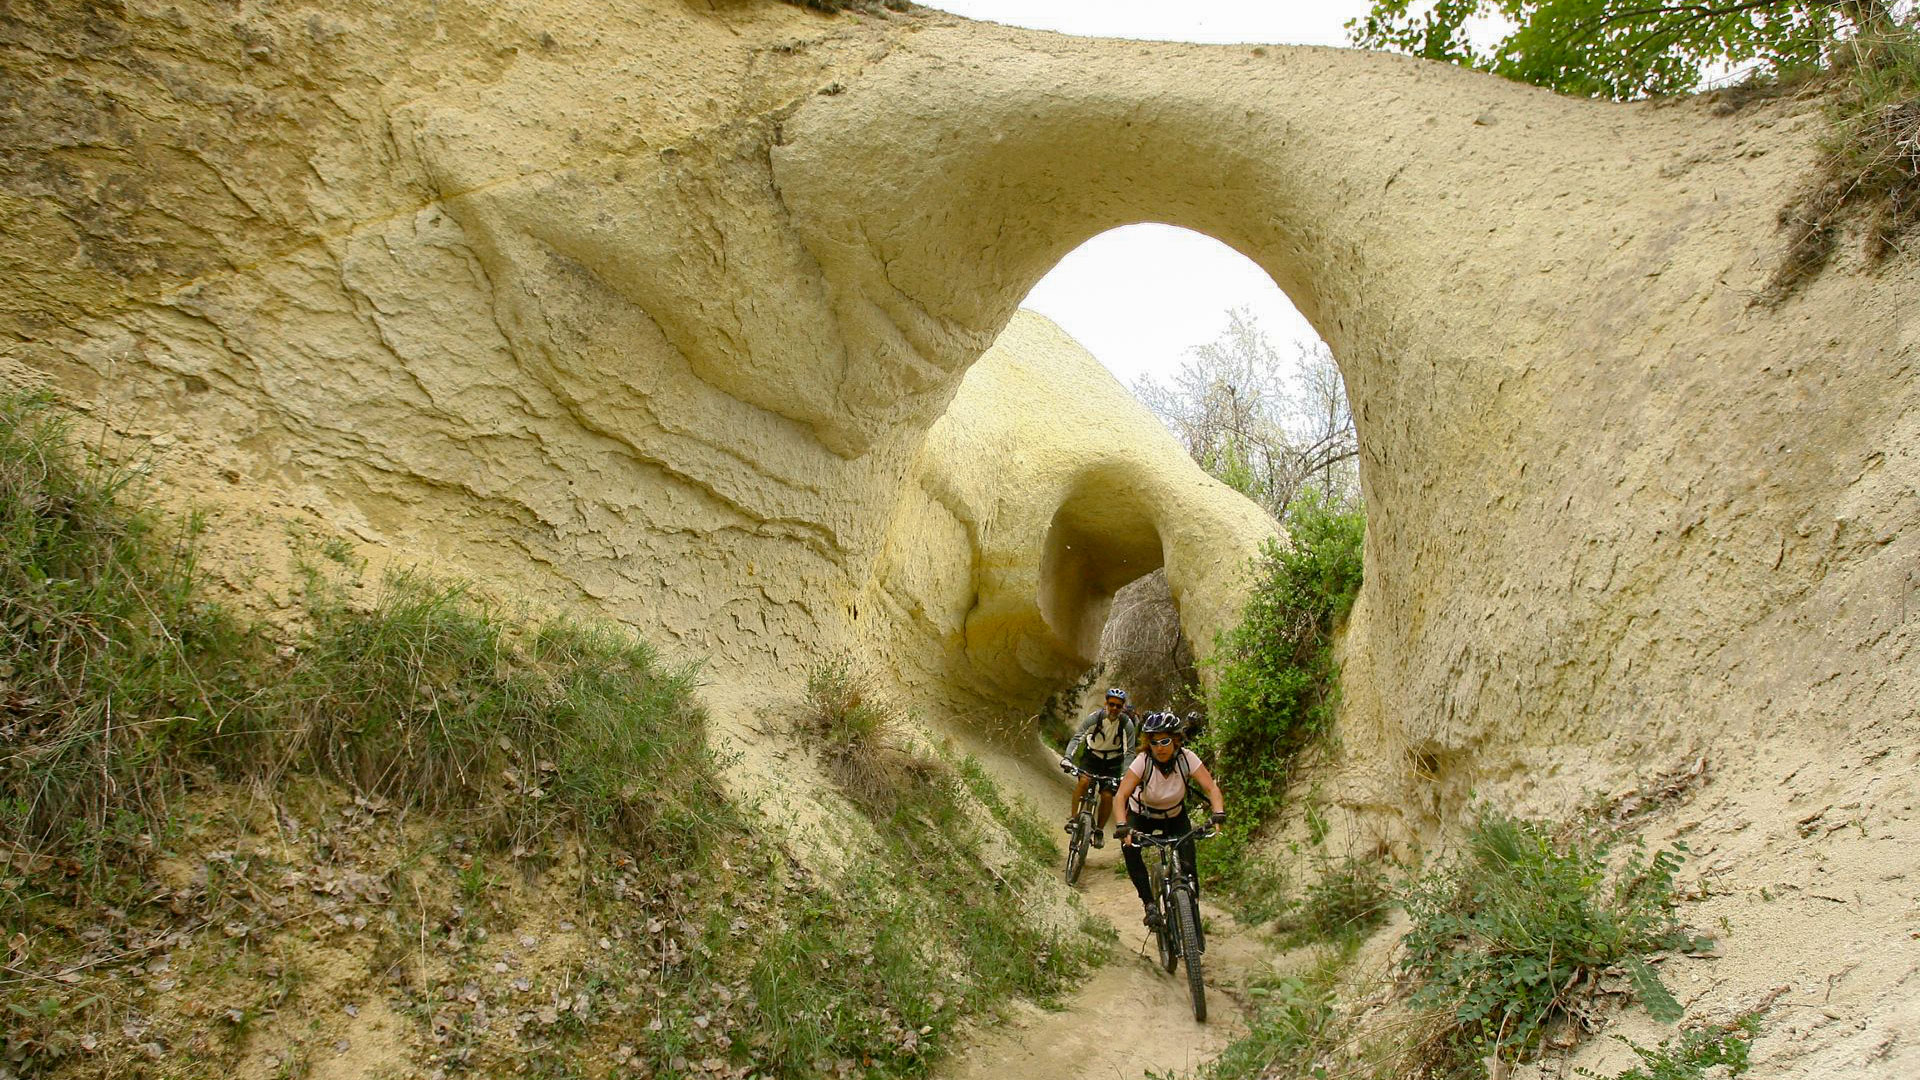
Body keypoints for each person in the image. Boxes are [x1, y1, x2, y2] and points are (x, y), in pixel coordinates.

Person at [1112, 712, 1226, 929]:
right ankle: (1149, 905)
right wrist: (1121, 826)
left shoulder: (1186, 758)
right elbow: (1121, 796)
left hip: (1174, 816)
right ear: (1149, 744)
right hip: (1142, 815)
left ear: (1175, 740)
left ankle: (1191, 911)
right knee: (1129, 849)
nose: (1160, 747)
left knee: (1189, 864)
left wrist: (1218, 813)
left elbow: (1211, 788)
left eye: (1165, 741)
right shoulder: (1143, 761)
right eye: (1154, 743)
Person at [1058, 687, 1136, 848]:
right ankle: (1073, 818)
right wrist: (1067, 758)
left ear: (1122, 708)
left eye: (1118, 706)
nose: (1114, 708)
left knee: (1107, 796)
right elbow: (1077, 737)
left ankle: (1099, 830)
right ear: (1106, 703)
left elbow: (1129, 752)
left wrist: (1125, 774)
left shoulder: (1126, 724)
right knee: (1084, 782)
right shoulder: (1095, 718)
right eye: (1111, 704)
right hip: (1092, 757)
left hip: (1113, 762)